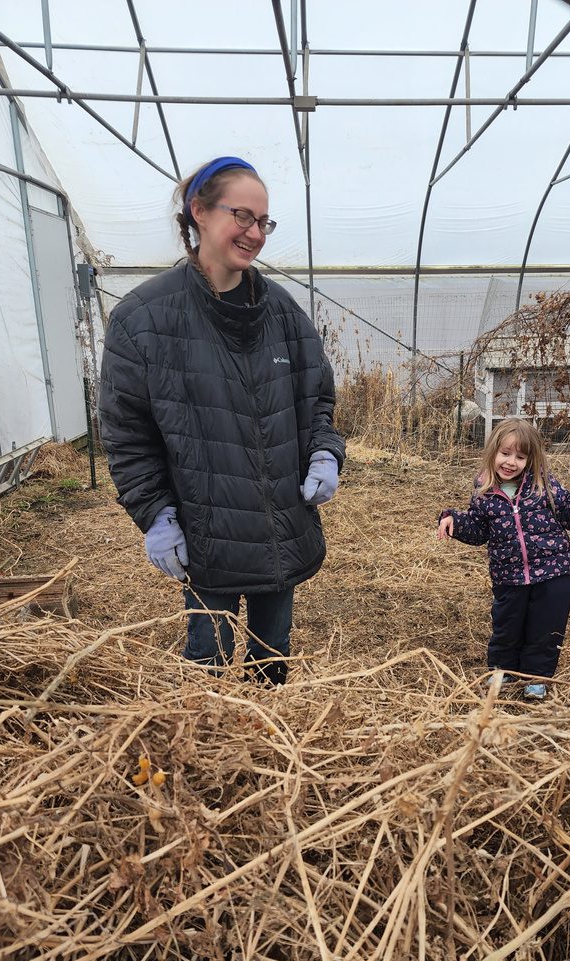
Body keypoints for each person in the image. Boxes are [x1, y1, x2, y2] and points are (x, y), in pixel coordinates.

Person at [99, 155, 345, 684]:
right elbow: (127, 435)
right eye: (242, 216)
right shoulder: (143, 320)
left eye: (264, 222)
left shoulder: (283, 314)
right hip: (205, 533)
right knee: (206, 668)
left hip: (281, 528)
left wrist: (325, 451)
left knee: (272, 658)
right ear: (200, 212)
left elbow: (316, 400)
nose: (255, 233)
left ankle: (268, 731)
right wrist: (155, 515)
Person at [437, 417, 570, 700]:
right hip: (509, 574)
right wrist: (454, 521)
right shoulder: (484, 491)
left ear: (531, 459)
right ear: (493, 452)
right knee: (507, 624)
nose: (511, 462)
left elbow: (567, 510)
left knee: (546, 627)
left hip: (554, 571)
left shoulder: (543, 485)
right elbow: (479, 529)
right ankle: (503, 671)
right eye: (505, 453)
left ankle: (536, 677)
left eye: (520, 457)